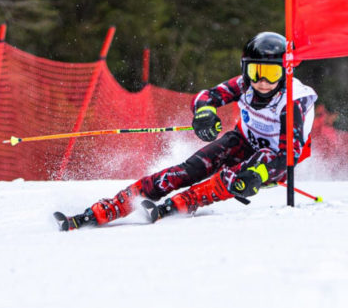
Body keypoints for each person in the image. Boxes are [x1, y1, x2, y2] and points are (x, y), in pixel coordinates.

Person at [55, 31, 318, 231]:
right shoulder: (244, 85)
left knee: (239, 176)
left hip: (275, 156)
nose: (262, 81)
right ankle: (111, 206)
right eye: (255, 71)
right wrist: (205, 113)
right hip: (243, 139)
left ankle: (184, 202)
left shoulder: (293, 101)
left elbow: (288, 156)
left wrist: (260, 174)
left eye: (271, 74)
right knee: (190, 168)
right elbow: (206, 96)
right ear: (245, 69)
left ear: (285, 72)